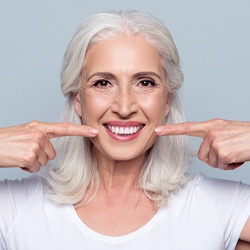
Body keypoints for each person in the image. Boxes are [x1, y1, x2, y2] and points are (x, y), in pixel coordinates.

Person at [0, 10, 249, 250]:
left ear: (168, 100)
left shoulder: (217, 207)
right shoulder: (13, 210)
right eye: (103, 83)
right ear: (77, 99)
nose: (124, 106)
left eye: (145, 83)